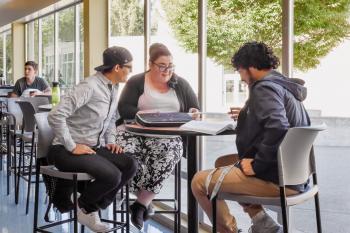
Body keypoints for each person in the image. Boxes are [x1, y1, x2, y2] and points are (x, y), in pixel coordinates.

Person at [191, 41, 310, 233]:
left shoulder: (264, 88)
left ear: (251, 67)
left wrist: (257, 165)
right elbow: (278, 119)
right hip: (295, 174)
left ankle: (229, 231)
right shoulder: (285, 86)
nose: (241, 77)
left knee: (199, 181)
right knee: (223, 161)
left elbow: (278, 127)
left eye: (240, 70)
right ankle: (261, 221)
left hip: (277, 177)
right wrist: (249, 113)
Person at [47, 46, 138, 232]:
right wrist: (72, 146)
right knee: (112, 176)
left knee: (130, 164)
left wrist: (110, 141)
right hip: (64, 150)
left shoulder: (113, 88)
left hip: (92, 148)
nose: (131, 71)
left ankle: (86, 206)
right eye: (129, 67)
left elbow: (112, 118)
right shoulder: (89, 87)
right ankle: (86, 208)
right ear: (117, 68)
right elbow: (55, 115)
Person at [115, 43, 200, 230]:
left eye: (170, 65)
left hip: (167, 138)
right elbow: (124, 108)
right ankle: (143, 196)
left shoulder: (181, 83)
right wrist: (149, 114)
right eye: (162, 65)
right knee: (126, 155)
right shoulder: (137, 82)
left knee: (169, 154)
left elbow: (195, 109)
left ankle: (141, 204)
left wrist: (194, 111)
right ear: (150, 64)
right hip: (135, 133)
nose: (167, 70)